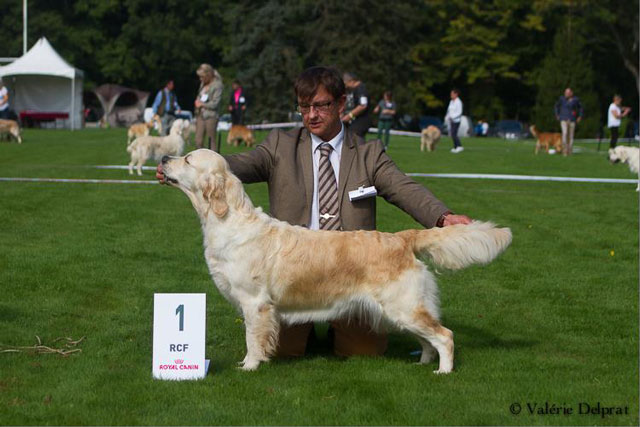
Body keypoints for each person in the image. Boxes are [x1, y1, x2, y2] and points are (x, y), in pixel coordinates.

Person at [156, 65, 471, 359]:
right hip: (293, 271)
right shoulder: (280, 145)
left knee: (364, 351)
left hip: (352, 269)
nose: (311, 115)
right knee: (282, 352)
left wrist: (442, 217)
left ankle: (340, 331)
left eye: (320, 105)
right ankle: (306, 334)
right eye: (304, 107)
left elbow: (405, 188)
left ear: (341, 103)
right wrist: (189, 172)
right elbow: (237, 165)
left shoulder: (368, 152)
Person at [194, 64, 224, 151]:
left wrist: (202, 104)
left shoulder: (218, 85)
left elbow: (215, 103)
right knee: (198, 141)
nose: (200, 79)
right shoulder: (203, 84)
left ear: (208, 75)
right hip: (200, 115)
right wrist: (197, 101)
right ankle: (200, 160)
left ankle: (214, 161)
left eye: (202, 77)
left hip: (211, 116)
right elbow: (200, 96)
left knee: (211, 141)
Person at [554, 87, 583, 156]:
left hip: (572, 119)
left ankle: (570, 151)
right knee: (565, 133)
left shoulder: (575, 99)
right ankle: (564, 151)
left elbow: (580, 107)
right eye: (565, 92)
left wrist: (580, 116)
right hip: (563, 119)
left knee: (571, 136)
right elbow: (556, 106)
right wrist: (557, 114)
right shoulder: (561, 99)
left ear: (571, 93)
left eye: (568, 93)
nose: (566, 94)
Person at [341, 72, 371, 138]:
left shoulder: (361, 89)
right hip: (351, 122)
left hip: (360, 123)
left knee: (355, 143)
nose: (345, 86)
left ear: (351, 81)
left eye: (346, 84)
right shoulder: (351, 90)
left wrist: (349, 116)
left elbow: (363, 105)